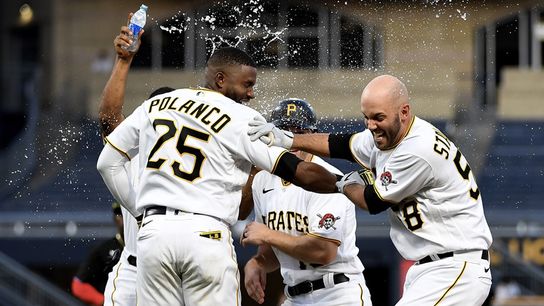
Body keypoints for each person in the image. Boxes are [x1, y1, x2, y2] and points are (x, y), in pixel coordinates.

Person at [96, 46, 338, 305]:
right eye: (247, 84)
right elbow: (300, 171)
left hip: (154, 237)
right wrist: (343, 183)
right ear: (220, 79)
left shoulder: (156, 105)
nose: (251, 93)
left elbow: (106, 163)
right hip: (205, 234)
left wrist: (139, 212)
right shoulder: (240, 117)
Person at [248, 74, 493, 305]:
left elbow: (372, 201)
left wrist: (342, 183)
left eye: (378, 117)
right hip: (433, 266)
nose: (371, 125)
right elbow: (341, 144)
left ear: (404, 112)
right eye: (366, 117)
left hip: (455, 265)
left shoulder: (416, 149)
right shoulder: (392, 134)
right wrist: (288, 139)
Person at [241, 99, 373, 306]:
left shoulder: (327, 179)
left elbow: (323, 251)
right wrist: (258, 262)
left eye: (299, 131)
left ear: (311, 134)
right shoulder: (263, 180)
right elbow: (274, 251)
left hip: (337, 294)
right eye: (283, 129)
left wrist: (267, 234)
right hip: (294, 296)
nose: (290, 136)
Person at [98, 14, 176, 306]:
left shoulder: (202, 151)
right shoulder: (135, 149)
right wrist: (123, 62)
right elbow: (108, 120)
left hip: (179, 268)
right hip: (136, 267)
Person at [72, 202, 124, 306]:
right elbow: (78, 285)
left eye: (125, 213)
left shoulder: (145, 245)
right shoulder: (103, 249)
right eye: (118, 214)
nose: (122, 218)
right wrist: (103, 301)